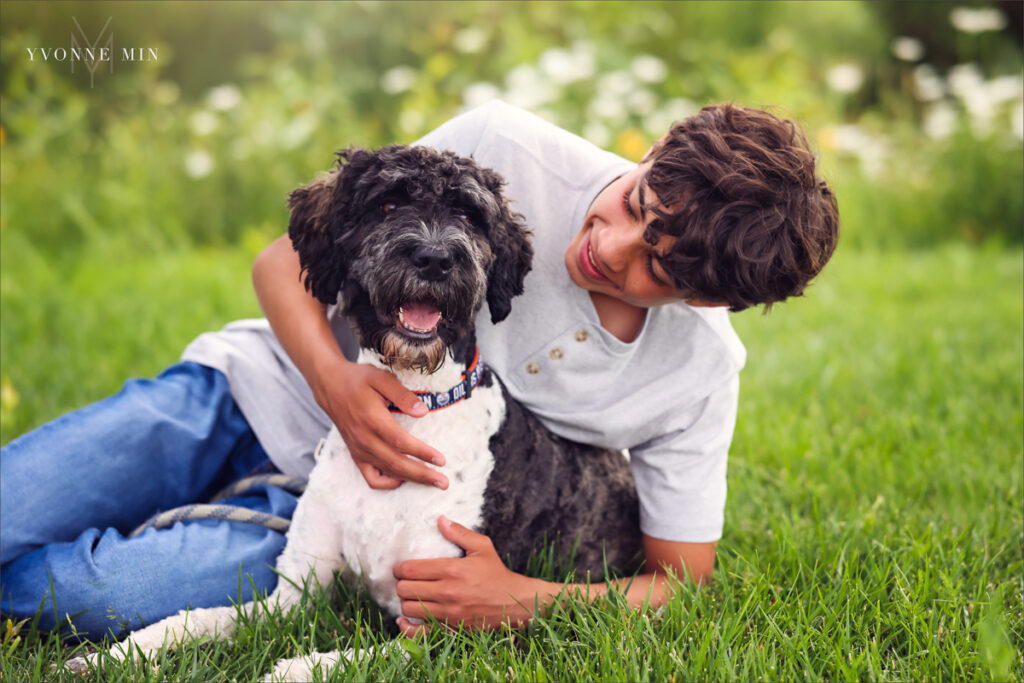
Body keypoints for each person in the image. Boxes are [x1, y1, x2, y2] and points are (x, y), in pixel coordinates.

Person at [0, 100, 838, 640]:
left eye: (657, 265)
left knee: (85, 596)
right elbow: (281, 261)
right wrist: (335, 382)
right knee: (15, 502)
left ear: (705, 300)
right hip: (255, 386)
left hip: (350, 512)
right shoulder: (505, 146)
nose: (606, 247)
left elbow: (681, 582)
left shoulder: (697, 372)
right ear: (654, 150)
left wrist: (521, 596)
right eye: (637, 204)